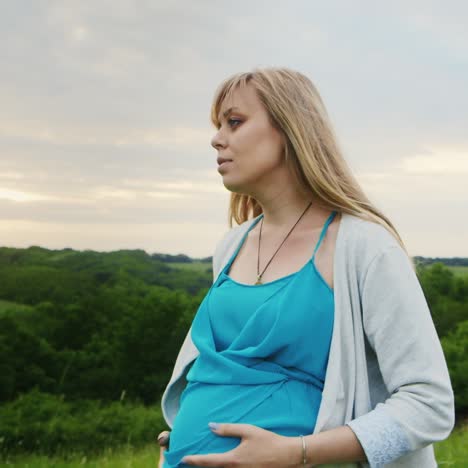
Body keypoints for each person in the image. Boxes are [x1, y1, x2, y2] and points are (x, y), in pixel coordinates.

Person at [157, 67, 454, 467]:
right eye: (218, 125)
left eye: (235, 122)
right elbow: (228, 375)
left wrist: (294, 453)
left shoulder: (364, 247)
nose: (216, 138)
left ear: (289, 130)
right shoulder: (232, 244)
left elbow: (429, 404)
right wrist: (184, 434)